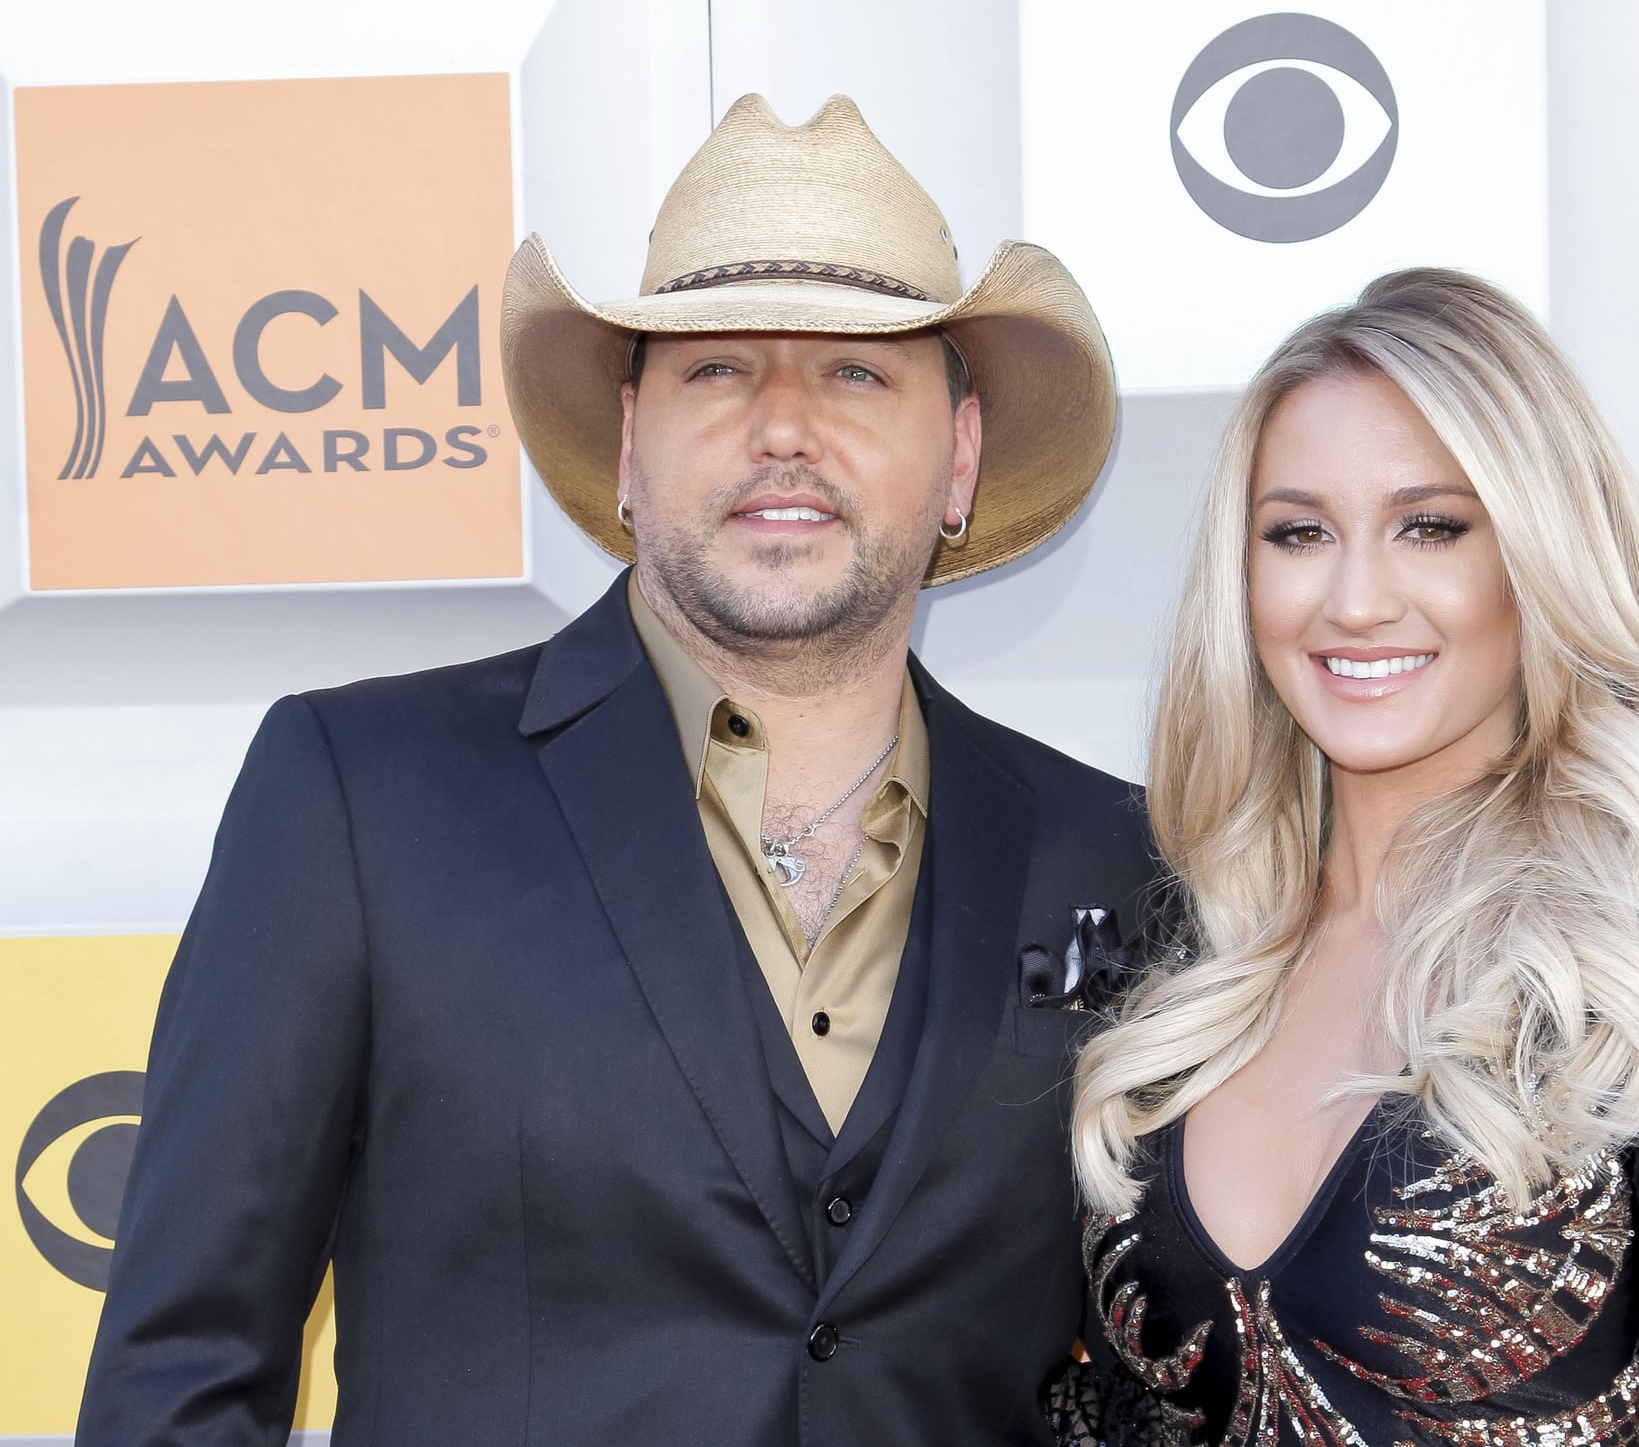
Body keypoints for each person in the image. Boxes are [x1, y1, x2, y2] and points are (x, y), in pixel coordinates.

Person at [78, 93, 1153, 1447]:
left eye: (858, 371)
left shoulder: (1110, 855)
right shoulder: (359, 797)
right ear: (630, 445)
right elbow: (178, 1384)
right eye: (718, 369)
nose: (783, 428)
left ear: (963, 456)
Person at [1047, 270, 1639, 1446]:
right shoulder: (1188, 964)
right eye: (1298, 532)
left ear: (1535, 554)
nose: (1355, 597)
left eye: (1429, 526)